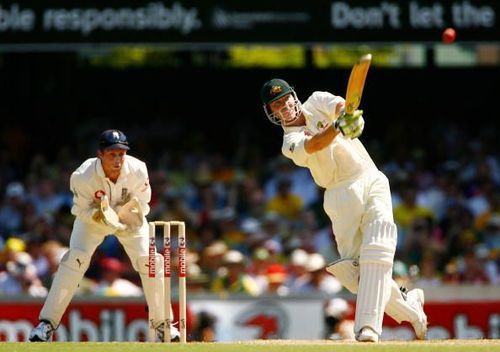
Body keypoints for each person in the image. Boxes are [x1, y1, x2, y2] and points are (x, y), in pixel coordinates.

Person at [260, 78, 428, 342]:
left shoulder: (315, 100)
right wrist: (338, 127)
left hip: (368, 177)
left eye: (285, 100)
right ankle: (412, 309)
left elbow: (340, 105)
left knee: (378, 247)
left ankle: (367, 328)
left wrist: (349, 117)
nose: (284, 107)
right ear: (272, 113)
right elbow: (314, 145)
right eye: (276, 105)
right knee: (356, 276)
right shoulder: (289, 142)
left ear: (294, 95)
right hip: (337, 194)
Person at [29, 129, 180, 342]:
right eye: (112, 154)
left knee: (152, 262)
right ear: (100, 153)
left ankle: (163, 325)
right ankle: (46, 325)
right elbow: (80, 210)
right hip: (94, 221)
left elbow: (144, 204)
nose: (118, 160)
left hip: (128, 220)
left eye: (121, 154)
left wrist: (130, 215)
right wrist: (100, 216)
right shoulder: (83, 176)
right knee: (74, 260)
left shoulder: (138, 169)